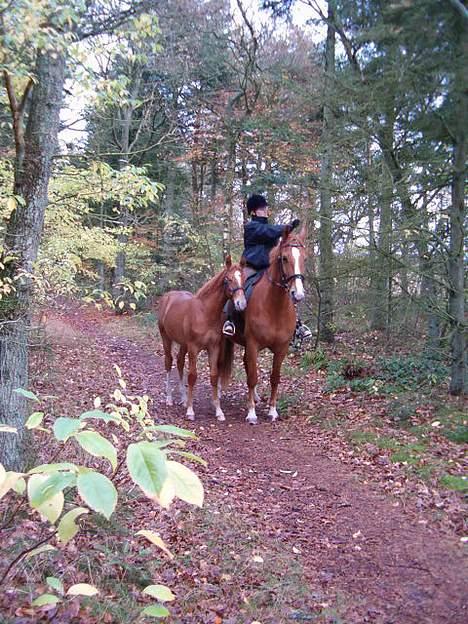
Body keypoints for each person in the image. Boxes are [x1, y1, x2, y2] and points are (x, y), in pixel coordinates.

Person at [222, 193, 311, 341]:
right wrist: (286, 227)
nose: (265, 210)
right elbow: (267, 232)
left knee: (287, 288)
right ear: (253, 212)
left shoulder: (272, 228)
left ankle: (296, 324)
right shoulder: (251, 227)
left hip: (268, 268)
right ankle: (229, 319)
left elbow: (278, 242)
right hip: (251, 267)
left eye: (265, 208)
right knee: (239, 287)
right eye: (261, 208)